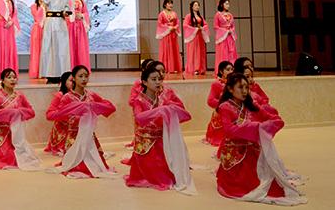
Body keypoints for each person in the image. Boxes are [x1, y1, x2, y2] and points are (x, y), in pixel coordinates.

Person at [216, 73, 306, 205]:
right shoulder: (224, 107)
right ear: (230, 89)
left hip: (252, 148)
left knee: (269, 180)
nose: (245, 91)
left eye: (247, 87)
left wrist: (270, 123)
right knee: (248, 184)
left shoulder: (249, 104)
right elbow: (229, 130)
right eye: (240, 87)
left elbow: (271, 117)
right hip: (234, 151)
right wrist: (253, 127)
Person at [125, 62, 196, 194]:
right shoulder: (139, 100)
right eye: (154, 79)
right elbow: (139, 118)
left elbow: (185, 115)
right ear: (144, 82)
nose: (158, 82)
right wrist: (159, 111)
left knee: (170, 175)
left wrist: (171, 108)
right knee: (162, 178)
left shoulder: (164, 99)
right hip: (146, 143)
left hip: (162, 141)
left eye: (159, 79)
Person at [52, 65, 116, 178]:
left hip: (89, 134)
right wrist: (74, 115)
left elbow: (110, 107)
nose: (84, 79)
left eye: (86, 76)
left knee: (97, 164)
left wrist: (94, 107)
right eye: (80, 76)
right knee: (76, 164)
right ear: (74, 78)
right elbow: (57, 114)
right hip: (74, 135)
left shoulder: (91, 95)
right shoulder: (67, 97)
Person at [0, 69, 41, 170]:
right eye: (9, 77)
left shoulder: (20, 96)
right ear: (2, 80)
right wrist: (8, 113)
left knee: (21, 157)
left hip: (17, 133)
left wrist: (18, 112)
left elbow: (31, 112)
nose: (13, 80)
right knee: (8, 158)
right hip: (2, 133)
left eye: (14, 77)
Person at [40, 0, 72, 83]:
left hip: (60, 21)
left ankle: (62, 74)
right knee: (49, 47)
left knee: (61, 47)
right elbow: (46, 0)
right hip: (50, 21)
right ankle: (49, 74)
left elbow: (66, 5)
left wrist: (65, 11)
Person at [204, 60, 234, 146]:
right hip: (222, 114)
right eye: (228, 69)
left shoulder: (235, 83)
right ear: (221, 71)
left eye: (232, 69)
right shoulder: (217, 84)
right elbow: (210, 101)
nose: (231, 71)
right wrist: (225, 104)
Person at [43, 71, 73, 156]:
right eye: (71, 80)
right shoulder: (60, 95)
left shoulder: (77, 94)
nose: (73, 83)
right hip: (62, 128)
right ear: (64, 82)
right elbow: (49, 114)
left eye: (75, 81)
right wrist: (65, 115)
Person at [67, 0, 91, 70]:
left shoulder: (81, 1)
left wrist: (82, 15)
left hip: (80, 26)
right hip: (70, 26)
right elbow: (66, 11)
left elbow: (86, 13)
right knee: (71, 47)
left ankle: (81, 68)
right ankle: (70, 68)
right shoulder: (66, 0)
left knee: (81, 47)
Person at [183, 0, 209, 75]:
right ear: (192, 7)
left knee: (200, 52)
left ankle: (200, 68)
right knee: (193, 52)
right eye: (195, 5)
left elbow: (206, 25)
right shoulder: (188, 16)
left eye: (198, 5)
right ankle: (194, 69)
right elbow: (185, 25)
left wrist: (202, 28)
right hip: (193, 37)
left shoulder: (200, 16)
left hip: (200, 36)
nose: (197, 7)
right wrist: (195, 29)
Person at [156, 0, 181, 73]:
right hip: (166, 34)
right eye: (169, 3)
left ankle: (173, 67)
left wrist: (175, 27)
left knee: (173, 50)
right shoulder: (162, 14)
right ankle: (166, 67)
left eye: (171, 3)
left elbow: (177, 23)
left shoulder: (174, 13)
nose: (171, 5)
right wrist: (168, 27)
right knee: (166, 50)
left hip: (173, 34)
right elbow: (160, 24)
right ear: (165, 4)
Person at [214, 0, 237, 73]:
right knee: (223, 53)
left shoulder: (230, 15)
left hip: (230, 37)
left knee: (231, 52)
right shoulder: (218, 15)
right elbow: (216, 26)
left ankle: (232, 69)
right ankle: (222, 71)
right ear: (221, 5)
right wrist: (225, 31)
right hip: (223, 37)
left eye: (228, 4)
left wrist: (231, 30)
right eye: (226, 4)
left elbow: (233, 26)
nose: (228, 5)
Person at [29, 0, 45, 79]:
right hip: (37, 29)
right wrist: (42, 6)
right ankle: (36, 71)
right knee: (36, 50)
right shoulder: (33, 6)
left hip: (46, 28)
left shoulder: (48, 6)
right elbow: (37, 16)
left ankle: (45, 71)